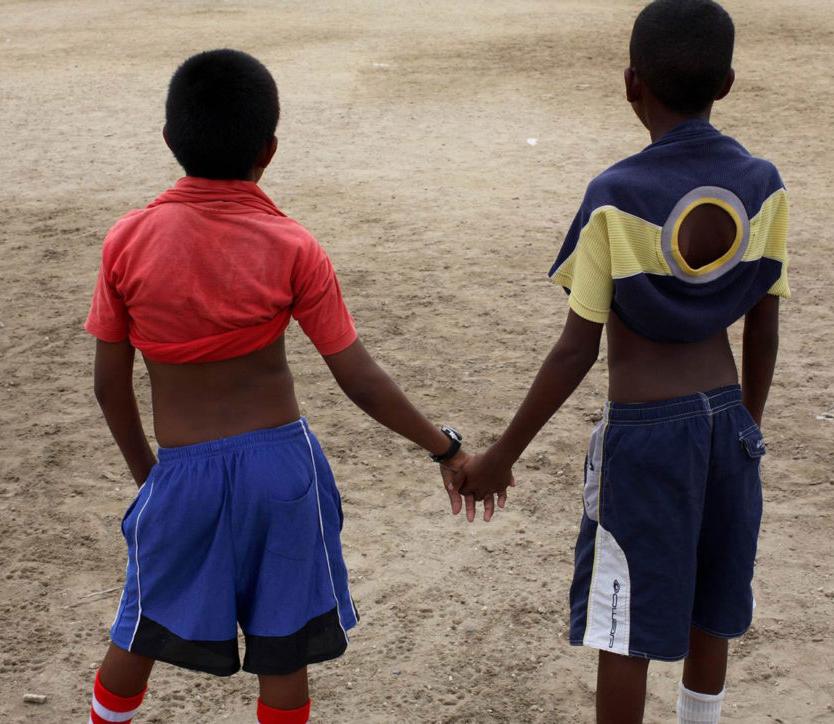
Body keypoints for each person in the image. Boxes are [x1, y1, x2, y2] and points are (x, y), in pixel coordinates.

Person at [83, 49, 503, 724]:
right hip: (283, 472)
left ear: (169, 140)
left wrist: (151, 481)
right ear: (269, 151)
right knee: (282, 651)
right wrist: (446, 450)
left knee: (138, 629)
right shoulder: (292, 245)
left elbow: (110, 385)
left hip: (182, 472)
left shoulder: (127, 241)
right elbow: (358, 378)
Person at [454, 1, 789, 721]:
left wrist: (501, 455)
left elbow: (577, 345)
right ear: (727, 84)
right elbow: (765, 325)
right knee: (713, 603)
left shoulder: (616, 195)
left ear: (631, 84)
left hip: (646, 434)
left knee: (624, 622)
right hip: (727, 421)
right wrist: (747, 429)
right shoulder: (763, 184)